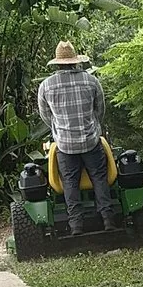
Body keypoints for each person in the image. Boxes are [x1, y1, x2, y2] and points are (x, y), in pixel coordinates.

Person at [38, 40, 116, 235]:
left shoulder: (46, 86)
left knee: (70, 183)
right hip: (91, 140)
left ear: (57, 63)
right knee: (99, 178)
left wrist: (59, 129)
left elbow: (45, 115)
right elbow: (100, 110)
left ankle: (76, 226)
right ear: (76, 61)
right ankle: (107, 219)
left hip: (64, 145)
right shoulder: (91, 81)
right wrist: (92, 126)